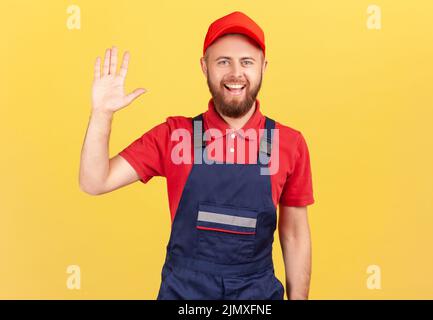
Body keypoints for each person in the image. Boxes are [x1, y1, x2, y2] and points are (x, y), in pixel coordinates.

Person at [79, 11, 315, 300]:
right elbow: (94, 181)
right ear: (205, 67)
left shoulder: (290, 143)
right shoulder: (172, 135)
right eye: (223, 61)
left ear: (263, 66)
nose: (235, 73)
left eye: (247, 61)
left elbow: (293, 235)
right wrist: (102, 114)